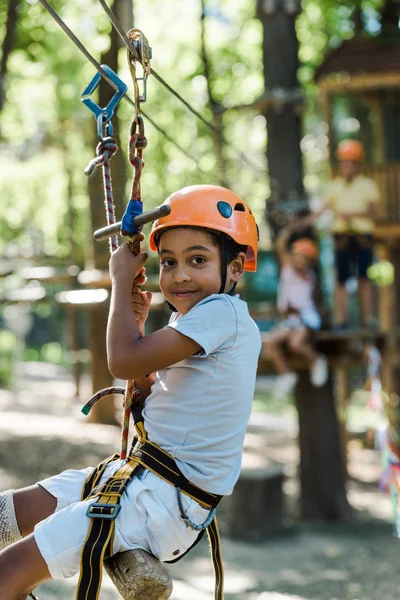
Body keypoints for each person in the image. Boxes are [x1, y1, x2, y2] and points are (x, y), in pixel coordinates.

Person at [0, 185, 261, 600]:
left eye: (198, 260)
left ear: (235, 268)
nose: (179, 275)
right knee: (12, 511)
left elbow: (120, 361)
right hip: (145, 479)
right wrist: (136, 333)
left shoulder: (221, 313)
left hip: (162, 500)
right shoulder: (196, 321)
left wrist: (120, 281)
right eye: (169, 262)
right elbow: (141, 381)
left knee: (8, 571)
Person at [265, 218, 328, 399]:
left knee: (296, 343)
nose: (299, 261)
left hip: (305, 318)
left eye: (304, 258)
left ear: (309, 261)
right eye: (297, 256)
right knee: (271, 342)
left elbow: (301, 306)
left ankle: (316, 359)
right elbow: (281, 246)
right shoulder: (288, 270)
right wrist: (290, 230)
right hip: (291, 320)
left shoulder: (308, 277)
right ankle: (286, 374)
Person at [324, 139, 380, 329]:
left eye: (350, 163)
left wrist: (351, 214)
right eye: (344, 163)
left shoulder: (367, 185)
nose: (346, 167)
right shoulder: (334, 186)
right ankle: (342, 320)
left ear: (357, 165)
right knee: (342, 280)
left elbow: (374, 212)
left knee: (364, 278)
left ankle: (369, 319)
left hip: (362, 236)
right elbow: (324, 209)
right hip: (341, 237)